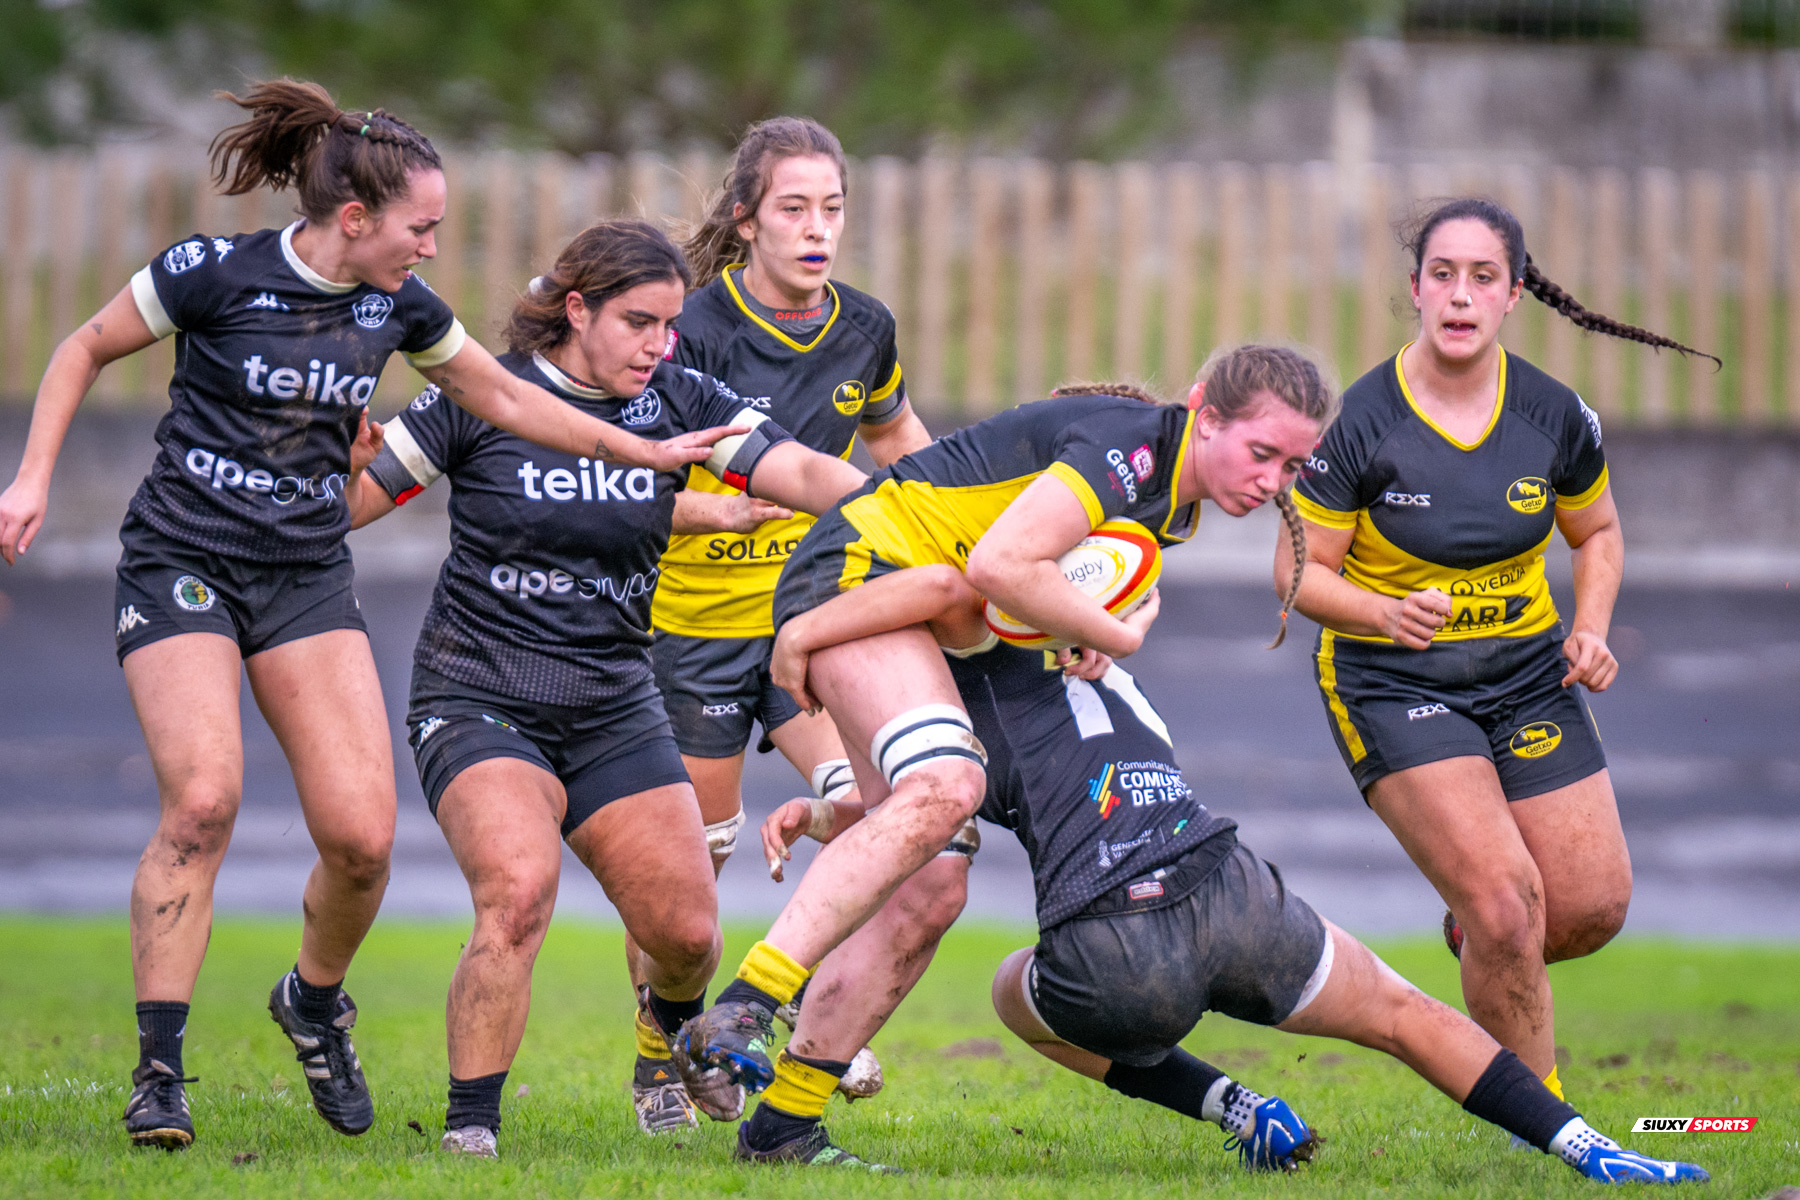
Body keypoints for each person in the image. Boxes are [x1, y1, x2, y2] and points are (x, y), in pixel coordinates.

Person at [0, 80, 734, 1152]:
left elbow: (510, 398)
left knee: (361, 842)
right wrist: (30, 478)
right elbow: (81, 348)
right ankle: (160, 1074)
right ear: (355, 219)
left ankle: (311, 1002)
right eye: (420, 228)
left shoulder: (404, 310)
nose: (431, 248)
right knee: (203, 800)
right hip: (182, 561)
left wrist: (644, 451)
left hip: (304, 575)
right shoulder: (210, 272)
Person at [748, 558, 1708, 1186]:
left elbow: (925, 810)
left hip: (1113, 951)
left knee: (1012, 993)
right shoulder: (1109, 660)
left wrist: (826, 801)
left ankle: (1232, 1104)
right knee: (1406, 1015)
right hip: (1230, 890)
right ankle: (1589, 1147)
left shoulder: (959, 707)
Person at [672, 346, 1335, 1152]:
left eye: (1292, 466)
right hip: (863, 573)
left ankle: (784, 1129)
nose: (1272, 481)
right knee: (949, 786)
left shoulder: (1166, 506)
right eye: (1262, 452)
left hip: (917, 604)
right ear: (1204, 411)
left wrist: (1077, 628)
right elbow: (992, 569)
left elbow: (996, 594)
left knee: (934, 883)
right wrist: (1113, 633)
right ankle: (744, 1007)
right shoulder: (1127, 449)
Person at [347, 218, 868, 1157]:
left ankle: (673, 1039)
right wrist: (322, 458)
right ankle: (470, 1134)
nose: (659, 345)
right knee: (517, 892)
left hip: (613, 701)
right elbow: (357, 501)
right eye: (639, 323)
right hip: (480, 693)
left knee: (687, 936)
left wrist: (902, 506)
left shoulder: (678, 397)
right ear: (577, 309)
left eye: (670, 325)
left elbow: (792, 466)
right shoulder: (484, 393)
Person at [1281, 197, 1717, 1108]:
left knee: (1590, 909)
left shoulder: (1553, 415)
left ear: (1514, 294)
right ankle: (1546, 1123)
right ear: (1415, 289)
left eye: (1483, 277)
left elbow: (1598, 532)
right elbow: (1295, 574)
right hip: (1393, 681)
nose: (1460, 295)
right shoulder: (1359, 422)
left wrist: (1591, 628)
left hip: (1528, 675)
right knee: (1509, 906)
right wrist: (1382, 611)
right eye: (1443, 275)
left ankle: (1479, 930)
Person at [646, 115, 948, 1109]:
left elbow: (900, 445)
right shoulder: (689, 330)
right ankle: (662, 1051)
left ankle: (808, 1020)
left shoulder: (865, 328)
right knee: (693, 877)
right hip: (694, 629)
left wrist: (966, 525)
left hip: (812, 622)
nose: (818, 228)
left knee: (879, 814)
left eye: (832, 208)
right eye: (794, 209)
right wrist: (717, 510)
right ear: (746, 219)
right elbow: (625, 486)